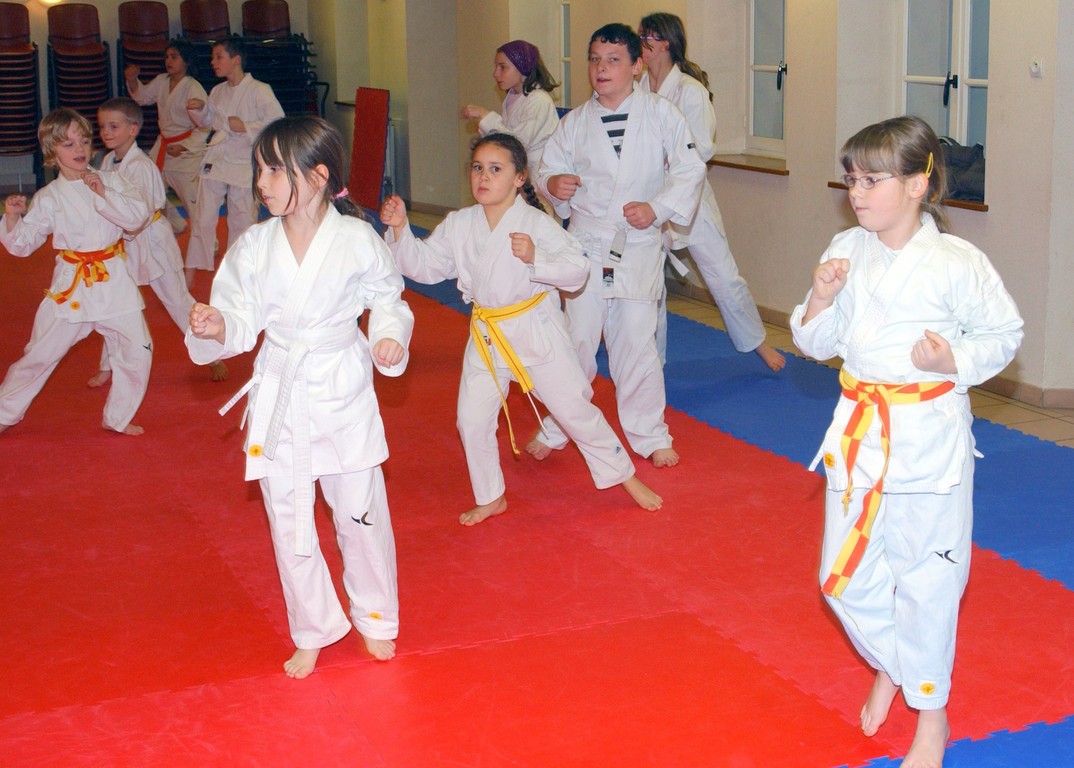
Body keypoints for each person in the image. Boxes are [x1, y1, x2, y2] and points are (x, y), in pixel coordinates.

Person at [790, 115, 1023, 768]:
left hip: (927, 439)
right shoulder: (846, 246)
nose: (857, 193)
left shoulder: (956, 262)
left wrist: (954, 358)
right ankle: (896, 661)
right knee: (840, 579)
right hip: (860, 430)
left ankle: (932, 711)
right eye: (852, 179)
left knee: (926, 577)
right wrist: (819, 294)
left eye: (872, 180)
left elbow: (1004, 334)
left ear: (919, 183)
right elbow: (815, 344)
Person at [186, 116, 413, 679]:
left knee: (359, 513)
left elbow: (390, 299)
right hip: (281, 383)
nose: (260, 182)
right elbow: (238, 311)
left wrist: (388, 336)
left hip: (341, 383)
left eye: (272, 170)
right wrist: (218, 326)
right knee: (288, 517)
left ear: (317, 176)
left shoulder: (358, 239)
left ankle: (376, 617)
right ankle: (312, 627)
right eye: (258, 168)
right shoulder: (255, 245)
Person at [381, 133, 662, 525]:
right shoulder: (460, 224)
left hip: (535, 329)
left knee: (572, 409)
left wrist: (537, 259)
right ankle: (491, 495)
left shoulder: (535, 223)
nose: (484, 177)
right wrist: (400, 229)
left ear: (518, 178)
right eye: (478, 168)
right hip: (487, 333)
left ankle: (625, 477)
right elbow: (426, 266)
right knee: (471, 420)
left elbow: (578, 270)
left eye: (496, 169)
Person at [532, 23, 705, 468]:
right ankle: (558, 426)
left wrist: (658, 208)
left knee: (636, 342)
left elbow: (689, 169)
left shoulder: (662, 114)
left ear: (635, 65)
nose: (601, 69)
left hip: (638, 242)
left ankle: (650, 433)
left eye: (612, 60)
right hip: (586, 243)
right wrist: (554, 183)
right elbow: (546, 168)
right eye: (594, 59)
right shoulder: (574, 122)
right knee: (577, 340)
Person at [638, 12, 785, 373]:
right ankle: (650, 359)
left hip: (690, 199)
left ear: (666, 44)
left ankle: (758, 342)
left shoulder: (691, 91)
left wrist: (663, 159)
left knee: (723, 276)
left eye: (646, 39)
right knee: (649, 281)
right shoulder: (639, 88)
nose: (641, 45)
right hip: (652, 201)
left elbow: (702, 149)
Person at [0, 108, 152, 435]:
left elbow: (137, 217)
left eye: (83, 141)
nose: (80, 149)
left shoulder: (112, 180)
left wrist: (104, 193)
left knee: (137, 351)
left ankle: (117, 417)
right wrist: (12, 218)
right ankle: (3, 413)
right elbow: (22, 246)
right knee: (40, 356)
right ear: (51, 153)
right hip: (72, 285)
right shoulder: (48, 197)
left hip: (113, 280)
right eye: (68, 145)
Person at [89, 98, 228, 386]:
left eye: (114, 126)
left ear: (133, 129)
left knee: (178, 302)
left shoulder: (142, 166)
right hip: (124, 244)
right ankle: (109, 365)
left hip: (152, 240)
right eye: (102, 126)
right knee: (116, 305)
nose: (106, 132)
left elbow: (140, 212)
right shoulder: (106, 161)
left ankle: (213, 354)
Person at [185, 35, 284, 289]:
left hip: (243, 160)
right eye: (213, 57)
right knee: (202, 216)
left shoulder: (260, 90)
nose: (213, 62)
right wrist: (199, 109)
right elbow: (208, 122)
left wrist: (247, 127)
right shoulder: (217, 91)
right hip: (218, 158)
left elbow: (277, 122)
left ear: (236, 59)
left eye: (219, 57)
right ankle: (190, 272)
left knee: (241, 220)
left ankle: (237, 276)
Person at [125, 39, 209, 238]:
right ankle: (177, 224)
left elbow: (205, 126)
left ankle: (208, 241)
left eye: (174, 57)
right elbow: (142, 97)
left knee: (191, 199)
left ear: (186, 61)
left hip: (186, 152)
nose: (168, 61)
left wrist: (185, 146)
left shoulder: (193, 88)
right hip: (163, 145)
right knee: (151, 190)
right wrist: (132, 80)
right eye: (167, 57)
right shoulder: (162, 80)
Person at [461, 40, 561, 185]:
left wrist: (486, 117)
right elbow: (507, 137)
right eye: (496, 67)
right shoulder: (512, 97)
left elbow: (518, 145)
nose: (495, 74)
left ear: (523, 68)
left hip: (540, 178)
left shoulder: (539, 100)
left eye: (502, 67)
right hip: (522, 174)